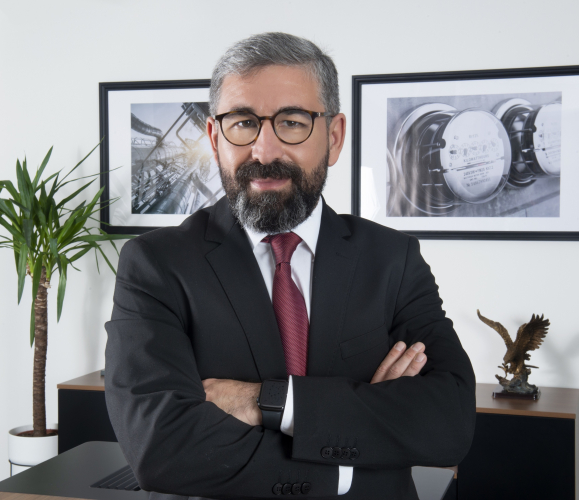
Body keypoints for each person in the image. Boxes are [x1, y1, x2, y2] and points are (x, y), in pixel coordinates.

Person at [105, 32, 476, 500]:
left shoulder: (392, 259)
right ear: (215, 138)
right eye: (243, 123)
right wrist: (351, 461)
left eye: (292, 122)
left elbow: (448, 421)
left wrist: (268, 402)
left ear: (334, 137)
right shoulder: (156, 265)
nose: (264, 151)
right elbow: (163, 448)